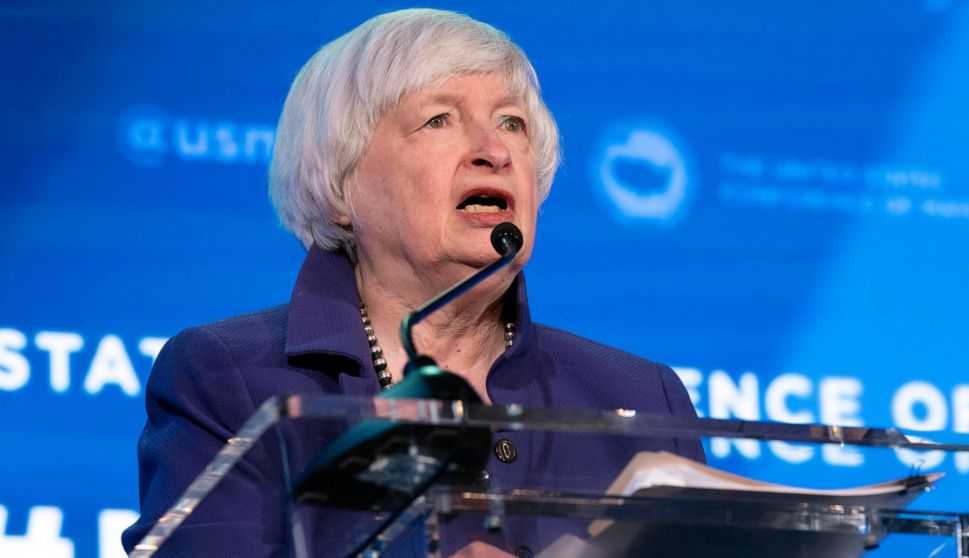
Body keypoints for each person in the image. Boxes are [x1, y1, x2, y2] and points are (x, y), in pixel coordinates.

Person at [123, 8, 704, 557]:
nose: (494, 151)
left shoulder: (640, 397)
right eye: (438, 119)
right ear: (341, 185)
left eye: (512, 123)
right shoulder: (230, 378)